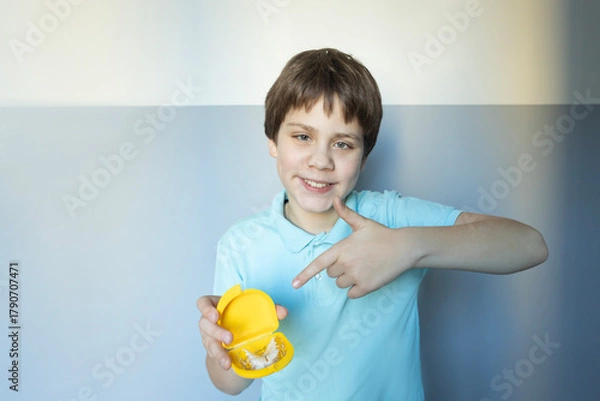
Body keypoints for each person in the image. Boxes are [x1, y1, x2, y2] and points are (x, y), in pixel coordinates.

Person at [197, 48, 548, 400]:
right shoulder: (240, 243)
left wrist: (406, 247)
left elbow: (530, 245)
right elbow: (230, 384)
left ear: (364, 157)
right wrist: (221, 346)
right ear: (273, 140)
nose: (320, 160)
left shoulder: (390, 218)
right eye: (302, 136)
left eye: (343, 144)